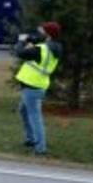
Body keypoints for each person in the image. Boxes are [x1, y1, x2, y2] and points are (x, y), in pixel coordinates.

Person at [14, 21, 63, 156]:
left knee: (35, 116)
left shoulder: (42, 49)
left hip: (32, 86)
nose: (40, 32)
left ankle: (40, 148)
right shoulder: (55, 47)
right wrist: (32, 42)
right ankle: (31, 139)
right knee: (23, 111)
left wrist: (21, 41)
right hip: (37, 84)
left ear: (48, 34)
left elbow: (19, 53)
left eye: (43, 31)